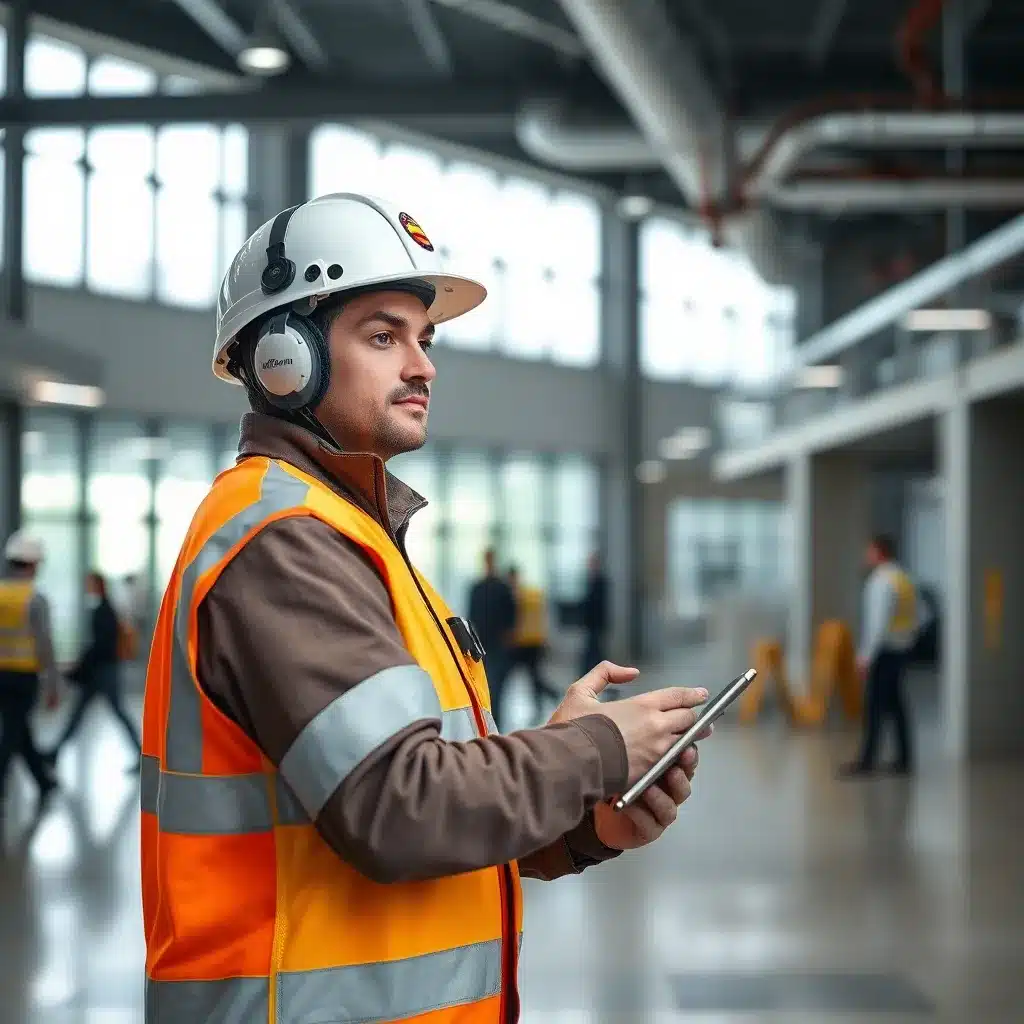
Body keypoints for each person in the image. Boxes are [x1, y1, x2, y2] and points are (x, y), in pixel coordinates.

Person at [140, 192, 711, 1023]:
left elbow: (415, 800)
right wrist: (591, 750)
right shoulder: (283, 540)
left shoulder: (353, 532)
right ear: (283, 360)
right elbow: (397, 808)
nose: (423, 365)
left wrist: (580, 827)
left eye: (426, 339)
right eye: (383, 335)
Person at [840, 534, 925, 778]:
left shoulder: (880, 581)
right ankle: (904, 759)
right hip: (902, 649)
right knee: (897, 705)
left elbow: (877, 623)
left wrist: (864, 657)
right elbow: (922, 614)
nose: (867, 556)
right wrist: (909, 638)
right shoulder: (905, 579)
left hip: (884, 652)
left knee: (875, 706)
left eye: (869, 551)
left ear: (879, 552)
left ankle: (867, 761)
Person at [46, 572, 142, 772]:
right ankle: (55, 753)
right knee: (80, 713)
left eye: (89, 583)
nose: (87, 587)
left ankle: (141, 752)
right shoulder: (104, 609)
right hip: (100, 671)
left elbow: (101, 645)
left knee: (114, 712)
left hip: (104, 671)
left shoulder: (103, 611)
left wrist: (80, 665)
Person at [0, 531, 59, 817]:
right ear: (33, 564)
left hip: (1, 675)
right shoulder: (35, 599)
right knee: (12, 734)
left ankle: (44, 781)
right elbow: (44, 645)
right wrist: (53, 686)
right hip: (24, 676)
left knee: (18, 729)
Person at [467, 548, 516, 731]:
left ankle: (495, 725)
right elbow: (471, 617)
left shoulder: (500, 588)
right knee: (484, 686)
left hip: (497, 646)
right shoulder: (477, 588)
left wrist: (508, 639)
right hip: (482, 645)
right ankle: (487, 725)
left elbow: (512, 617)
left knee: (496, 688)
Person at [506, 565, 559, 722]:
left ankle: (547, 698)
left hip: (524, 643)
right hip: (534, 642)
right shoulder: (533, 594)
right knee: (534, 677)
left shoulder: (518, 596)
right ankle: (548, 698)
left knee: (528, 677)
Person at [578, 551, 609, 680]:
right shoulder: (589, 580)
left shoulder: (601, 581)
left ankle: (595, 673)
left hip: (596, 622)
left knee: (593, 649)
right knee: (593, 649)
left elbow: (599, 604)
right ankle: (594, 673)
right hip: (590, 622)